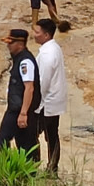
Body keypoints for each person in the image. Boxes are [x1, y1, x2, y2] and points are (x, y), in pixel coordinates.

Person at [0, 29, 42, 161]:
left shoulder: (25, 62)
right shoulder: (19, 59)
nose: (8, 46)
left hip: (20, 110)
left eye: (11, 43)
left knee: (16, 141)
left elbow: (29, 88)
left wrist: (23, 113)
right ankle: (12, 170)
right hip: (16, 108)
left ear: (20, 44)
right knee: (15, 140)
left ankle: (20, 170)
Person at [32, 18, 67, 175]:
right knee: (52, 135)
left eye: (37, 32)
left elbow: (42, 82)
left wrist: (36, 105)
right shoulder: (55, 48)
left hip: (46, 102)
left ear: (46, 35)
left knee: (33, 136)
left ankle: (33, 167)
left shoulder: (47, 55)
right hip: (55, 100)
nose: (34, 35)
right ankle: (52, 168)